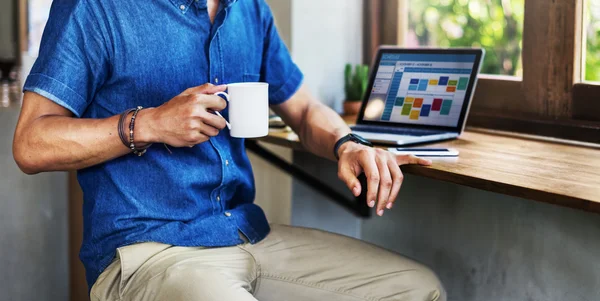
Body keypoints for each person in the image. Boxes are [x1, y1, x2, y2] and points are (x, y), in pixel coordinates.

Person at [13, 0, 445, 300]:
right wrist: (150, 123)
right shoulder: (95, 8)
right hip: (147, 252)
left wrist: (347, 143)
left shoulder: (250, 10)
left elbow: (305, 108)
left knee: (416, 288)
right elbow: (31, 143)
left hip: (245, 234)